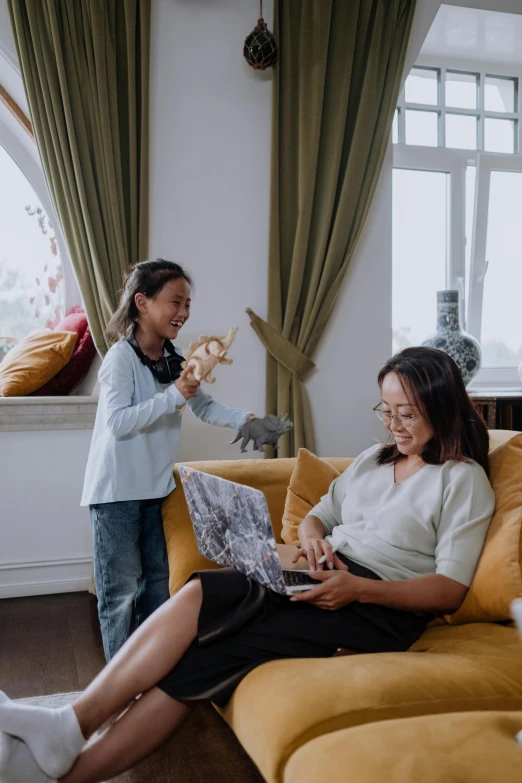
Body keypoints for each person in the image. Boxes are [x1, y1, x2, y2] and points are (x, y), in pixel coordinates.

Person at [0, 347, 496, 783]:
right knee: (205, 653)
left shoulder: (461, 479)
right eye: (385, 411)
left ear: (442, 407)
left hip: (378, 605)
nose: (392, 424)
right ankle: (67, 767)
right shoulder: (374, 459)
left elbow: (449, 589)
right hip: (322, 574)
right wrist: (314, 541)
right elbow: (317, 517)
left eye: (406, 414)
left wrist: (356, 589)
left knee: (202, 592)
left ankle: (71, 726)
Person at [80, 259, 255, 661]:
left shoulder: (174, 358)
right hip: (116, 494)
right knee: (119, 595)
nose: (184, 312)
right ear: (142, 302)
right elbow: (119, 423)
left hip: (155, 489)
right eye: (175, 302)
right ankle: (118, 686)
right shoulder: (120, 360)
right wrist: (173, 396)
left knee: (157, 587)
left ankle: (147, 670)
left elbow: (205, 406)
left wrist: (245, 420)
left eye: (188, 303)